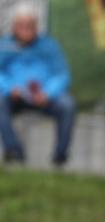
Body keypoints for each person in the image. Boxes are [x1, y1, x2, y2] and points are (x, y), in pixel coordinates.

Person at [0, 3, 75, 165]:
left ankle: (60, 157)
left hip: (44, 96)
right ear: (14, 26)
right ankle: (14, 151)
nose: (26, 30)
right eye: (22, 26)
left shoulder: (49, 46)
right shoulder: (4, 45)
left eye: (30, 26)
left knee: (67, 104)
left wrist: (48, 92)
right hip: (15, 96)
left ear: (37, 26)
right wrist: (8, 88)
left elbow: (62, 75)